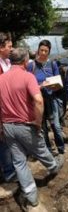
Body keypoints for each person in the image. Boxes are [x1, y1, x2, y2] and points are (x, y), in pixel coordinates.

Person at [0, 48, 63, 209]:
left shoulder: (1, 79)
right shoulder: (28, 76)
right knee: (40, 149)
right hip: (25, 124)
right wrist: (37, 122)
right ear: (25, 61)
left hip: (8, 126)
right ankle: (54, 167)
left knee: (19, 162)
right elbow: (38, 101)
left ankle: (31, 196)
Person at [27, 40, 65, 155]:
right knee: (42, 126)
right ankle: (48, 150)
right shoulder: (31, 65)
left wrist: (55, 86)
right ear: (38, 50)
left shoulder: (52, 64)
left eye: (46, 51)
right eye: (41, 50)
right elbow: (28, 84)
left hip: (51, 98)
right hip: (38, 100)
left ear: (49, 52)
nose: (43, 53)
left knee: (56, 126)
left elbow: (59, 82)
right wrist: (40, 86)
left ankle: (61, 148)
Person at [0, 32, 16, 183]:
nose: (12, 49)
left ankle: (10, 166)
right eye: (9, 47)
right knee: (3, 140)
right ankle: (9, 172)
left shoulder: (8, 62)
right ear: (1, 47)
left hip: (10, 107)